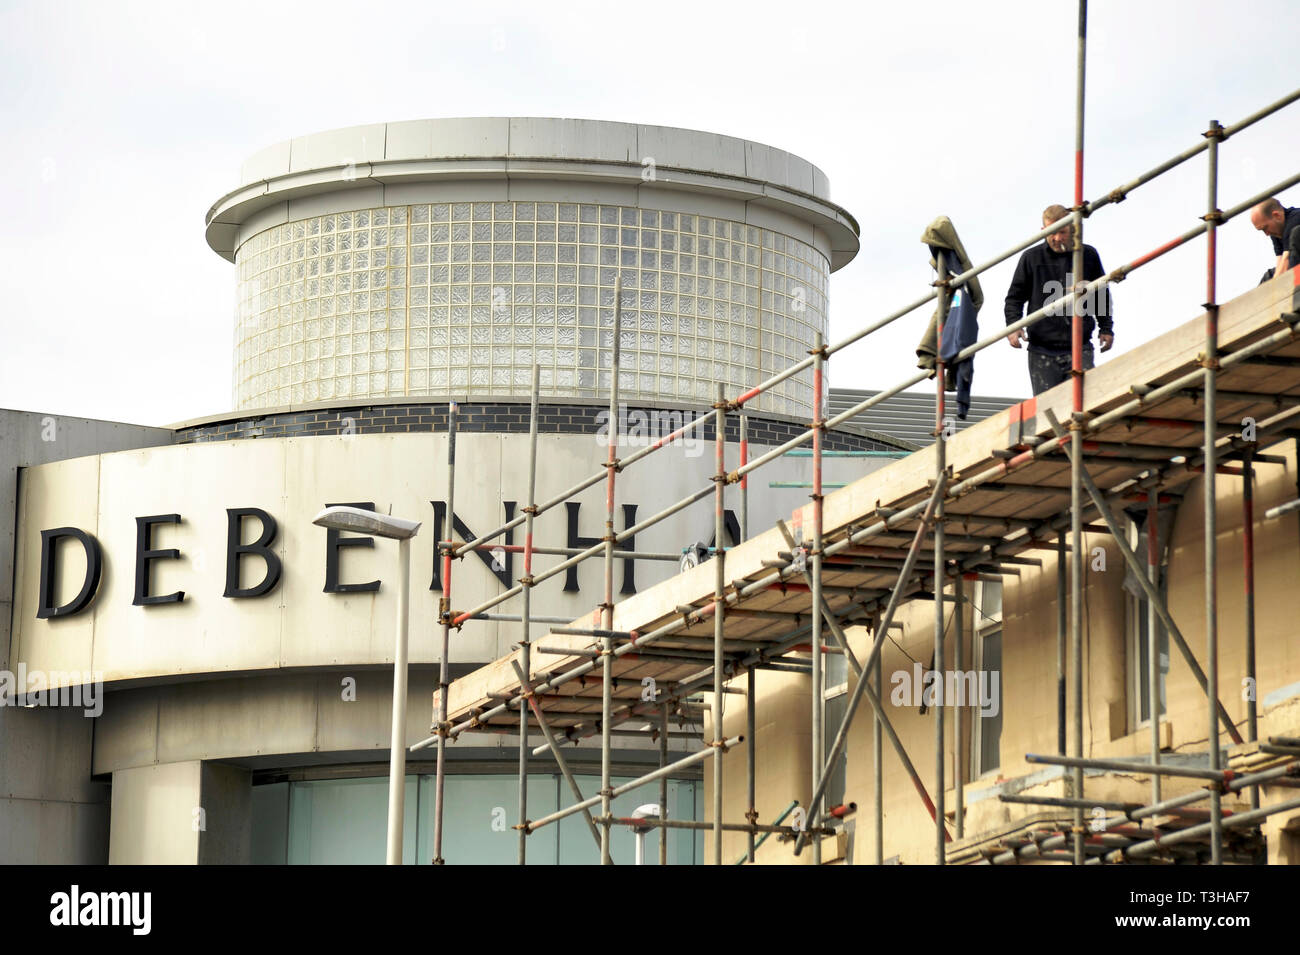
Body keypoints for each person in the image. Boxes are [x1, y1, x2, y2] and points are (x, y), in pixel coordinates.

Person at [1004, 204, 1113, 395]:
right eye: (1052, 232)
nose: (1057, 238)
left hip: (1080, 346)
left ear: (1072, 229)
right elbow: (1015, 297)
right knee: (1048, 411)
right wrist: (1014, 326)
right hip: (1042, 350)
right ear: (1043, 231)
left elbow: (1101, 294)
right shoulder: (1031, 258)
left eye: (1062, 232)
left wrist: (1106, 328)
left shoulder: (1087, 255)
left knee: (1085, 404)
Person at [1250, 197, 1300, 282]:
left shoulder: (1295, 219)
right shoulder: (1276, 230)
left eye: (1265, 228)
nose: (1266, 233)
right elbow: (1280, 261)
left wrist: (1275, 287)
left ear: (1277, 215)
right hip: (1295, 267)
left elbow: (1286, 260)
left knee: (1297, 234)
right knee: (1268, 276)